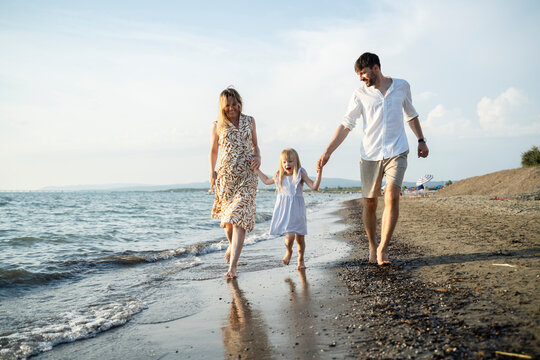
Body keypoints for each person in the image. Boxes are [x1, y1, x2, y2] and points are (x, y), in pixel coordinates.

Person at [317, 52, 429, 266]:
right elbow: (346, 124)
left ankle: (383, 249)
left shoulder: (402, 86)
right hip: (369, 154)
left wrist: (421, 140)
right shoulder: (360, 94)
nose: (361, 78)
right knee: (370, 202)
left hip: (397, 150)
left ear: (375, 68)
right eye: (358, 74)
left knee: (392, 195)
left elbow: (411, 114)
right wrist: (328, 151)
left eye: (362, 73)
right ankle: (371, 244)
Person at [210, 88, 261, 278]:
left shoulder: (250, 121)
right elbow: (213, 151)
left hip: (247, 175)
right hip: (226, 177)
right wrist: (211, 171)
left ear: (239, 103)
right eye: (227, 106)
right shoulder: (217, 125)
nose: (231, 109)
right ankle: (231, 246)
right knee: (228, 222)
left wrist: (258, 156)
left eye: (234, 105)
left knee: (238, 217)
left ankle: (233, 267)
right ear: (222, 107)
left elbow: (255, 145)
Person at [256, 148, 322, 270]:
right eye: (284, 162)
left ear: (296, 162)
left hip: (298, 211)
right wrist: (256, 169)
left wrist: (319, 172)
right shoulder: (279, 175)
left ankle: (301, 259)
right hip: (285, 211)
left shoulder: (300, 174)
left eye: (290, 161)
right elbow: (265, 180)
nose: (287, 164)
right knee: (289, 237)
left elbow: (314, 186)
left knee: (300, 239)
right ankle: (289, 251)